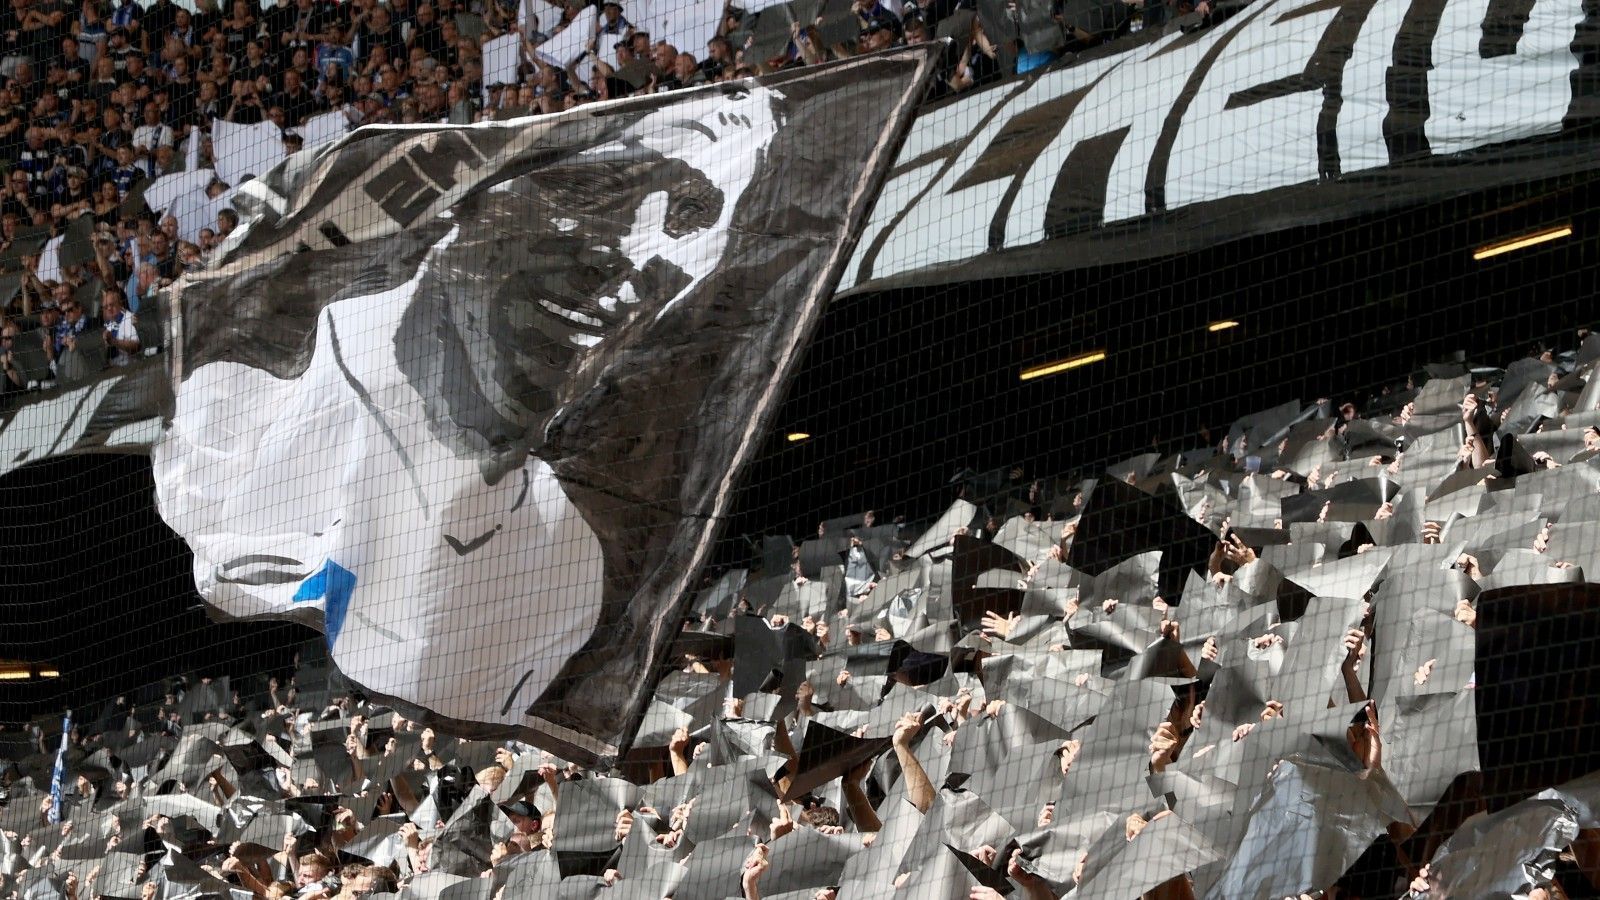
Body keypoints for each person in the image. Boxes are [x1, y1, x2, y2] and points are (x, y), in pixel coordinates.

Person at [100, 287, 139, 365]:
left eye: (111, 305)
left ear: (120, 304)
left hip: (131, 367)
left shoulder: (129, 319)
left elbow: (136, 346)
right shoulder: (109, 324)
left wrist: (113, 341)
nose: (109, 309)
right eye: (106, 307)